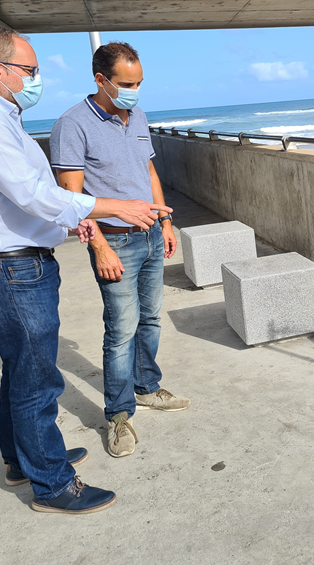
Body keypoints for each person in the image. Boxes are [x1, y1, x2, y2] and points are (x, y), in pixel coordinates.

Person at [0, 25, 171, 514]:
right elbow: (34, 193)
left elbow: (16, 198)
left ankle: (23, 459)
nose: (36, 77)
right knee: (38, 380)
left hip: (12, 265)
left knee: (21, 371)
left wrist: (71, 224)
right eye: (31, 70)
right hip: (7, 272)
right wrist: (110, 209)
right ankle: (53, 484)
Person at [51, 42, 189, 459]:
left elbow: (148, 172)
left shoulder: (138, 115)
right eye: (127, 83)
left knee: (150, 319)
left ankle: (146, 387)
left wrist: (165, 222)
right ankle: (118, 416)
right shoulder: (72, 125)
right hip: (114, 241)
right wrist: (100, 249)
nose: (135, 90)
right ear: (101, 80)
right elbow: (71, 196)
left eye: (139, 82)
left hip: (149, 236)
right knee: (121, 329)